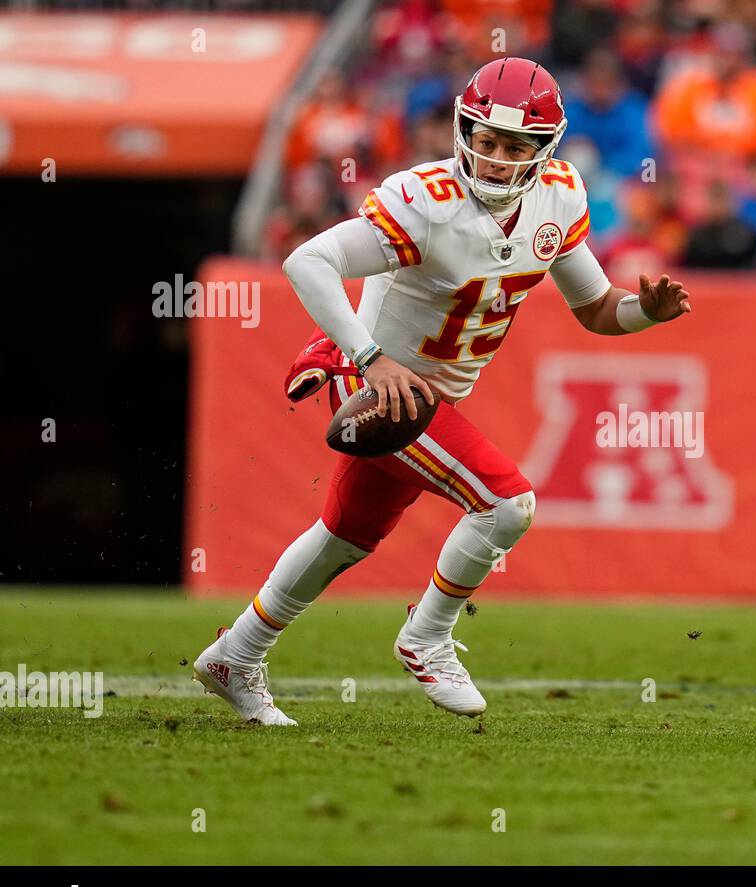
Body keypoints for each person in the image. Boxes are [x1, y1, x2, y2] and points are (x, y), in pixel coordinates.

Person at [193, 58, 693, 726]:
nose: (492, 157)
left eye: (514, 146)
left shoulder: (559, 196)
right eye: (483, 139)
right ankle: (425, 636)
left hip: (432, 392)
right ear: (463, 130)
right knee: (507, 503)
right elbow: (307, 260)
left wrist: (645, 314)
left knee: (346, 534)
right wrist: (369, 358)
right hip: (385, 386)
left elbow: (597, 308)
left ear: (545, 151)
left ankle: (235, 654)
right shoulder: (424, 199)